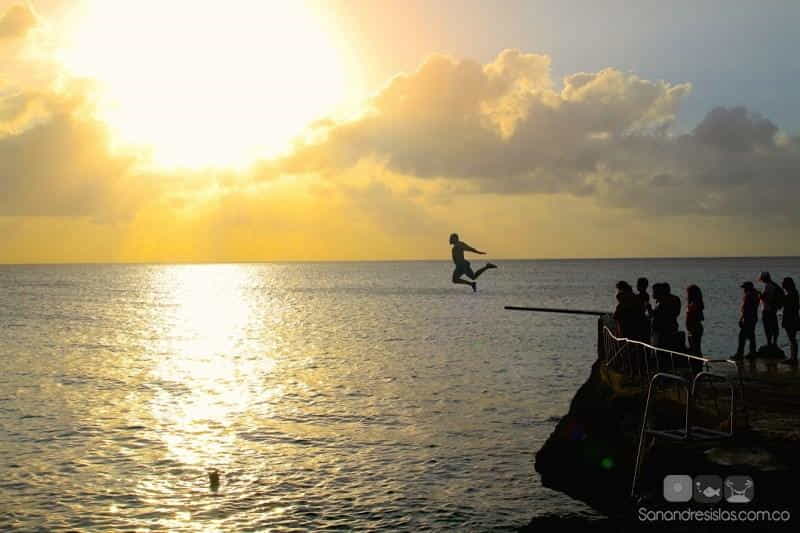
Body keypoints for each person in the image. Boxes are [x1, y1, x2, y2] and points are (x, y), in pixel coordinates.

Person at [733, 281, 760, 359]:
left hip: (748, 318)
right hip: (754, 317)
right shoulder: (755, 295)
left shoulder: (749, 296)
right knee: (751, 336)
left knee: (742, 336)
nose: (743, 289)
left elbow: (746, 309)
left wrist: (741, 319)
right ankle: (752, 352)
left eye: (744, 288)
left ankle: (740, 354)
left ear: (748, 288)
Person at [758, 271, 784, 349]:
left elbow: (765, 297)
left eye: (762, 278)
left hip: (767, 310)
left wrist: (759, 294)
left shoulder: (768, 286)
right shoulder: (774, 285)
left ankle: (769, 343)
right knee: (774, 327)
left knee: (768, 327)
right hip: (773, 309)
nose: (761, 280)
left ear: (764, 278)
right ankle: (774, 343)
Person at [651, 282, 681, 350]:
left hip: (660, 331)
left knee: (659, 349)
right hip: (672, 327)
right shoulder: (675, 299)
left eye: (654, 291)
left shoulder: (662, 302)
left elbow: (657, 315)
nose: (653, 293)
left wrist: (649, 309)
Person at [781, 277, 799, 365]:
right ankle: (793, 358)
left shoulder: (791, 294)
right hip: (793, 318)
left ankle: (793, 358)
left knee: (792, 338)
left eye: (784, 283)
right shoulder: (794, 293)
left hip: (790, 319)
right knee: (792, 338)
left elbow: (785, 304)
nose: (782, 284)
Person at [686, 285, 705, 355]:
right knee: (694, 348)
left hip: (695, 329)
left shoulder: (695, 304)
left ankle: (698, 360)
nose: (687, 296)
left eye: (688, 293)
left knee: (696, 349)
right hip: (692, 329)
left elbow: (699, 317)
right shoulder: (694, 304)